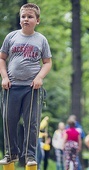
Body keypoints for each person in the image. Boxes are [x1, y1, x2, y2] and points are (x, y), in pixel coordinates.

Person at [0, 3, 52, 166]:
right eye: (23, 16)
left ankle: (30, 155)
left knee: (32, 123)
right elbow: (2, 58)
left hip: (32, 88)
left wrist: (39, 78)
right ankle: (11, 153)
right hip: (11, 87)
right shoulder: (11, 37)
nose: (26, 19)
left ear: (37, 20)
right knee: (9, 120)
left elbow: (47, 62)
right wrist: (4, 77)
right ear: (20, 19)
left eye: (30, 17)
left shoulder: (41, 39)